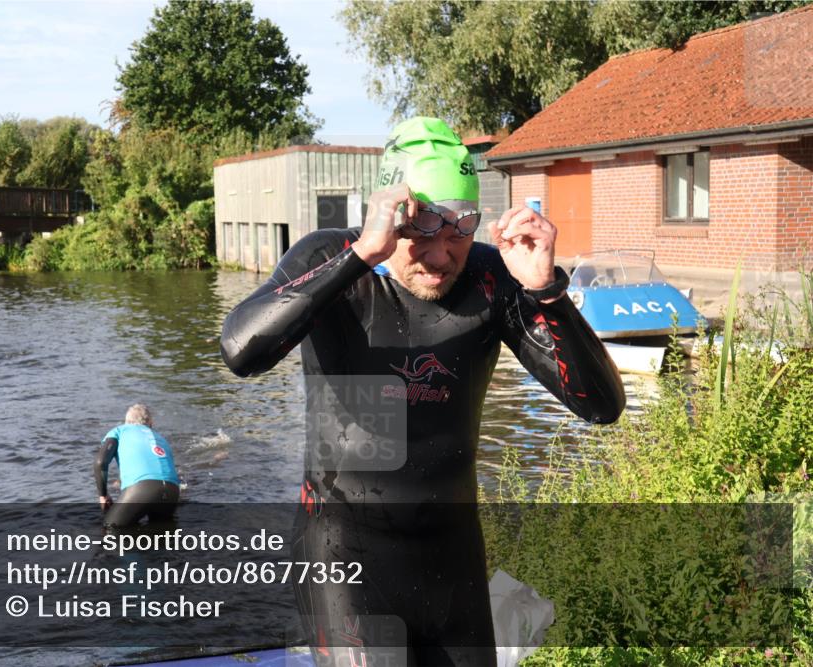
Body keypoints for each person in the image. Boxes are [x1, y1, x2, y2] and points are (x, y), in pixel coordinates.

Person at [220, 117, 625, 665]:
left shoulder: (489, 276)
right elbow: (241, 351)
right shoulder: (332, 260)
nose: (440, 255)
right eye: (421, 231)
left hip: (452, 562)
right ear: (389, 215)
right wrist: (361, 254)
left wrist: (545, 290)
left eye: (458, 229)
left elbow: (601, 406)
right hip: (344, 559)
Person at [94, 404, 181, 528]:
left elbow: (100, 462)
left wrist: (103, 495)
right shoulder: (161, 438)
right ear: (150, 424)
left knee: (111, 529)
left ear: (126, 422)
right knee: (162, 538)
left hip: (142, 490)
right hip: (172, 491)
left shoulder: (119, 430)